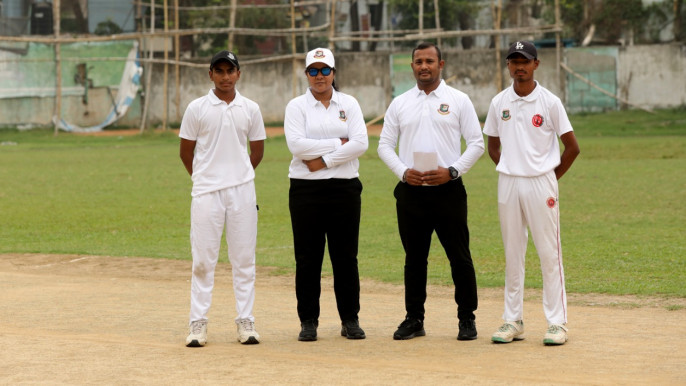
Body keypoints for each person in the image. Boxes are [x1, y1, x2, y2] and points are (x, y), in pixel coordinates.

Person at [377, 42, 484, 341]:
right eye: (418, 61)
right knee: (414, 259)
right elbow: (384, 145)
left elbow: (476, 143)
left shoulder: (458, 100)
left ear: (441, 64)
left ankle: (467, 318)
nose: (424, 66)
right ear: (411, 66)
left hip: (448, 190)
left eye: (429, 61)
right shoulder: (399, 103)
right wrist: (403, 172)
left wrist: (452, 171)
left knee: (459, 257)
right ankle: (414, 319)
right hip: (411, 192)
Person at [483, 41, 580, 346]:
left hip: (541, 183)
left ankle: (557, 323)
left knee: (549, 253)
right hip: (509, 183)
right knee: (513, 253)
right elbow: (493, 146)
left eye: (524, 61)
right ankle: (513, 320)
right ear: (508, 66)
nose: (519, 67)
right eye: (513, 61)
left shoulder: (549, 102)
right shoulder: (499, 102)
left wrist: (549, 177)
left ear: (536, 63)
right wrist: (513, 167)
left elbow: (572, 147)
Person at [179, 50, 266, 347]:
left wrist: (237, 175)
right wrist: (205, 177)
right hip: (206, 193)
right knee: (203, 260)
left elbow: (257, 151)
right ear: (211, 74)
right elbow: (185, 152)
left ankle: (246, 321)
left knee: (243, 259)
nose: (225, 76)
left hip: (242, 191)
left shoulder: (251, 108)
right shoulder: (196, 108)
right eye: (220, 71)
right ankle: (197, 323)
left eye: (231, 71)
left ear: (239, 74)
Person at [284, 47, 369, 342]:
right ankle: (308, 321)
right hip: (305, 189)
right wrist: (338, 142)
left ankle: (350, 319)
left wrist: (325, 160)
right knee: (308, 258)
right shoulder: (296, 106)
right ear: (306, 74)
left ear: (334, 72)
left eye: (324, 70)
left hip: (344, 187)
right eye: (313, 71)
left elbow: (360, 143)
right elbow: (296, 146)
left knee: (345, 257)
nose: (319, 77)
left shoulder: (349, 103)